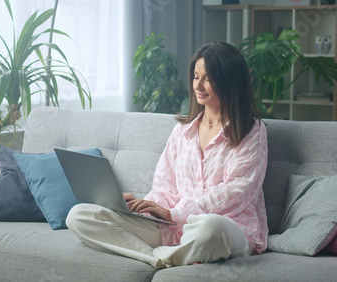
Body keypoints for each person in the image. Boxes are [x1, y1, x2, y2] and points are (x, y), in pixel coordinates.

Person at [66, 41, 269, 268]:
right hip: (172, 228)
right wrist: (147, 207)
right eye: (195, 76)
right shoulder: (182, 131)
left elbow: (237, 192)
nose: (198, 85)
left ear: (229, 81)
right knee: (80, 215)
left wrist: (175, 213)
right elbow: (164, 184)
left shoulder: (252, 132)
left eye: (208, 78)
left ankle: (170, 253)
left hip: (229, 226)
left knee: (212, 228)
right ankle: (160, 258)